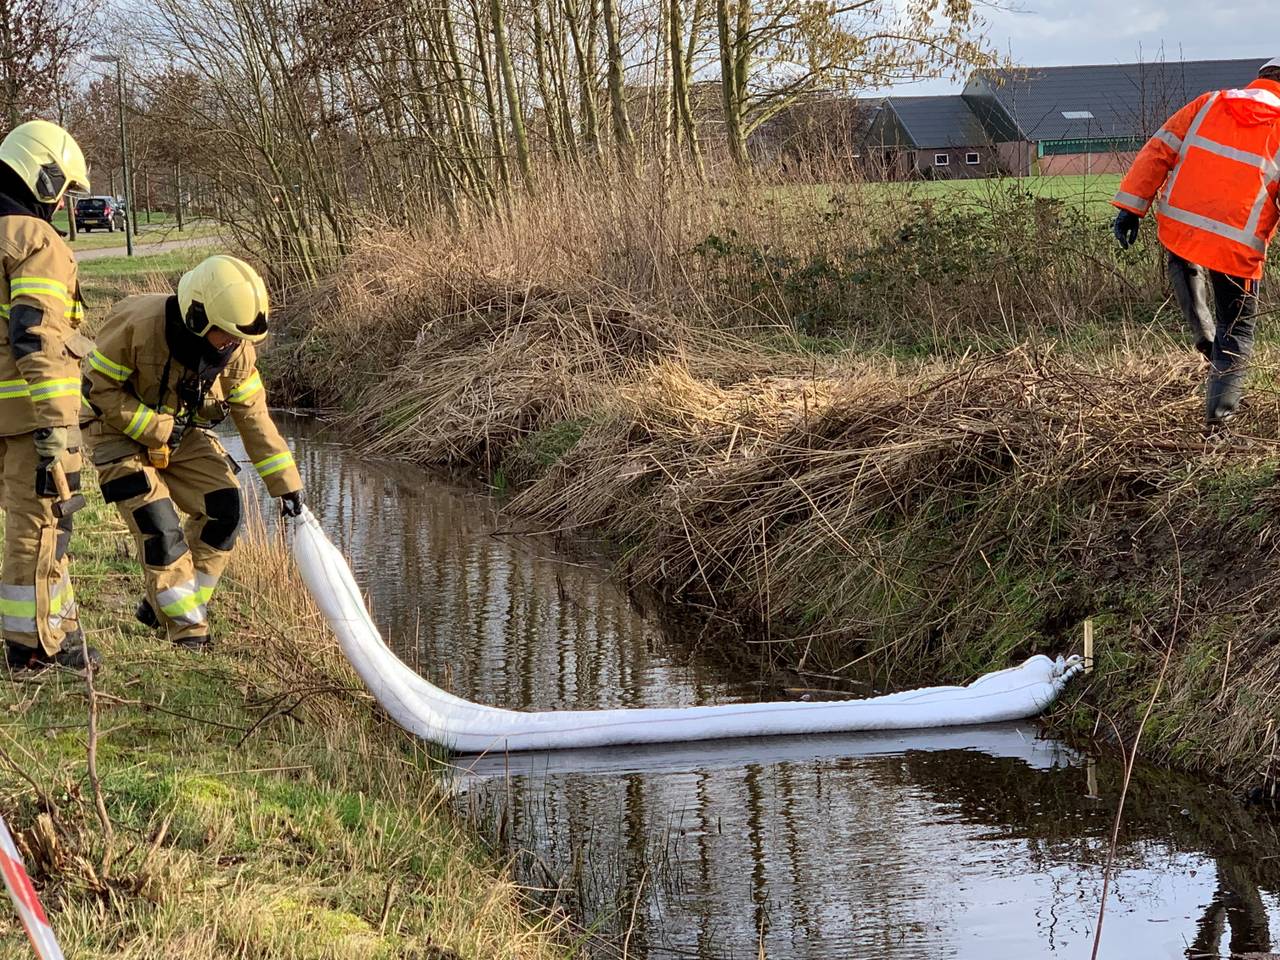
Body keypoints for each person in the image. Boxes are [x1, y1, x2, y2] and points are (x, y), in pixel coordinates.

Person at [81, 254, 304, 651]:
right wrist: (156, 429)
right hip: (114, 430)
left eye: (242, 339)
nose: (234, 345)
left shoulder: (236, 353)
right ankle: (189, 632)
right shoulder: (137, 325)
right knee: (160, 528)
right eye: (228, 335)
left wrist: (286, 486)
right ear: (197, 316)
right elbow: (98, 391)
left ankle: (166, 606)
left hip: (178, 435)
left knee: (226, 509)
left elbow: (255, 420)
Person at [1112, 57, 1280, 433]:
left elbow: (1158, 151)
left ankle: (1203, 335)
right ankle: (1219, 425)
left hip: (1182, 225)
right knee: (1236, 333)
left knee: (1184, 259)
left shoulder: (1208, 103)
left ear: (1261, 79)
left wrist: (1131, 208)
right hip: (1237, 243)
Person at [0, 120, 95, 674]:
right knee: (40, 527)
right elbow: (38, 337)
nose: (63, 205)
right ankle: (34, 646)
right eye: (64, 192)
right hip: (25, 415)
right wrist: (58, 428)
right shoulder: (36, 241)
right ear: (46, 178)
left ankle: (50, 631)